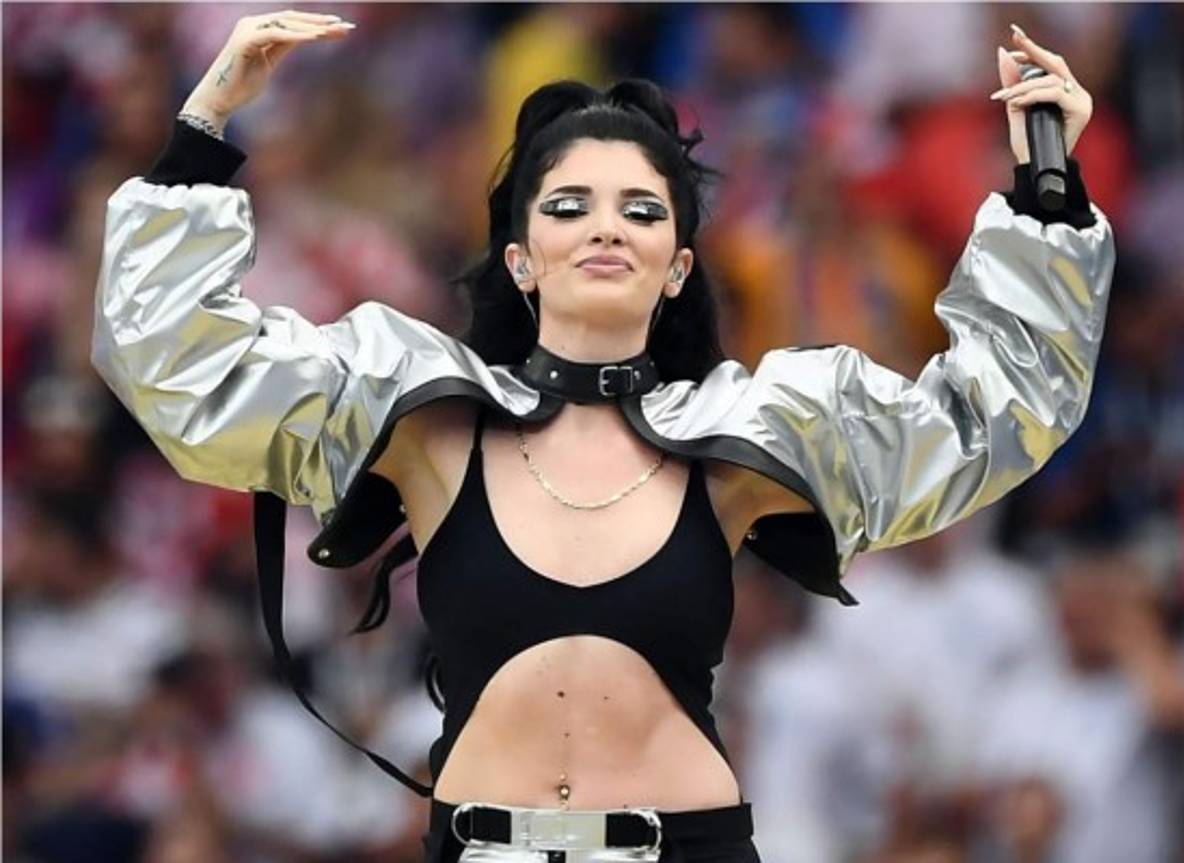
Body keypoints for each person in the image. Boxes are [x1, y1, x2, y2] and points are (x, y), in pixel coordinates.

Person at [92, 11, 1115, 863]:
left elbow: (995, 414)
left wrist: (1046, 188)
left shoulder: (742, 438)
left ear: (677, 264)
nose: (605, 226)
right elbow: (178, 368)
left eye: (641, 208)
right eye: (569, 204)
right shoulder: (429, 421)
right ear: (522, 255)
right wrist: (202, 128)